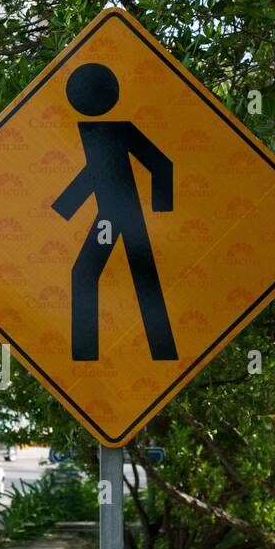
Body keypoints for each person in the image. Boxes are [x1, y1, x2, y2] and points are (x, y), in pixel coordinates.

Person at [52, 63, 178, 361]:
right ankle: (161, 349)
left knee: (87, 275)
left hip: (120, 214)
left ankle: (86, 355)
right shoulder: (96, 130)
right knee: (141, 278)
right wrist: (65, 207)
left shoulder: (119, 130)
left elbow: (161, 163)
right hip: (116, 213)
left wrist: (162, 209)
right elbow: (95, 173)